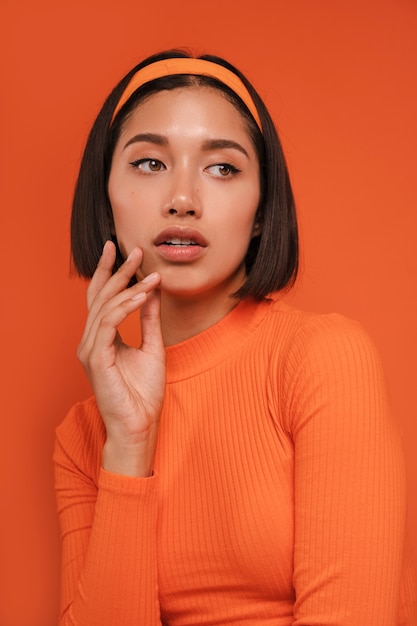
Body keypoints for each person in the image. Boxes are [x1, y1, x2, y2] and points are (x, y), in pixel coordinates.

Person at [54, 48, 416, 625]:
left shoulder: (321, 360)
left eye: (222, 167)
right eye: (150, 163)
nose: (182, 199)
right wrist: (128, 443)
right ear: (105, 197)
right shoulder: (84, 437)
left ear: (261, 212)